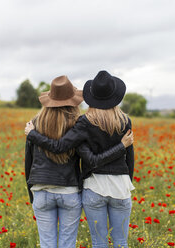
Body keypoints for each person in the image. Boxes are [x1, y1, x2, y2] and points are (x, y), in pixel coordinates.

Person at [25, 70, 135, 248]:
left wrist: (33, 135)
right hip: (113, 189)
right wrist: (125, 180)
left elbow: (46, 153)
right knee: (120, 242)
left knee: (95, 243)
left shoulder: (81, 123)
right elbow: (130, 159)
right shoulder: (124, 120)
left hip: (87, 188)